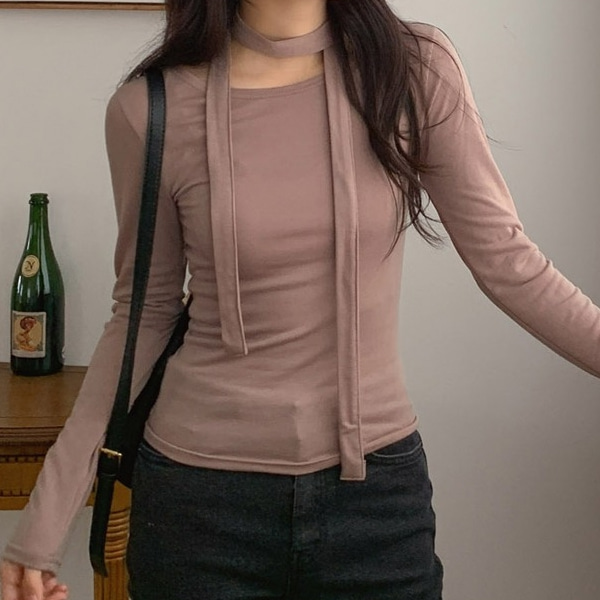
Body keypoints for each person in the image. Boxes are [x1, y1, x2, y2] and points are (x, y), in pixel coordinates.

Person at [2, 0, 600, 599]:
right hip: (197, 510)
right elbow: (144, 314)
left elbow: (508, 260)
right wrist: (42, 525)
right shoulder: (148, 109)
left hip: (375, 501)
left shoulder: (413, 69)